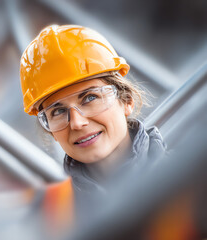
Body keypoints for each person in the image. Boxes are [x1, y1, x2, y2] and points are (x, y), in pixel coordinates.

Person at [20, 25, 167, 221]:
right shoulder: (48, 214)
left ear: (127, 101)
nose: (77, 123)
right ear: (51, 132)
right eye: (58, 111)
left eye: (90, 98)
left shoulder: (191, 179)